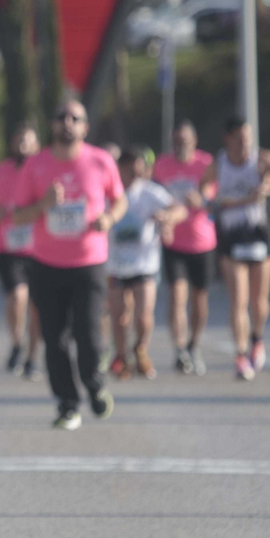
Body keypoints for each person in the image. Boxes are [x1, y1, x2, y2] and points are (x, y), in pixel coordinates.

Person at [12, 100, 127, 430]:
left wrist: (109, 218)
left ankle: (95, 384)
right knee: (54, 338)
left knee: (88, 333)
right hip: (46, 263)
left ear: (85, 127)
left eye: (75, 118)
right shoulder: (35, 166)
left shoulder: (100, 161)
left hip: (89, 262)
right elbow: (17, 216)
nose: (68, 122)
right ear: (53, 125)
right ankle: (67, 404)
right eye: (61, 117)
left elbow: (120, 200)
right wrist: (44, 205)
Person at [206, 116, 270, 381]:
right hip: (231, 237)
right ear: (228, 139)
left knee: (259, 303)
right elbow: (203, 192)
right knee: (238, 300)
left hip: (258, 234)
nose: (245, 144)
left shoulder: (264, 160)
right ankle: (240, 356)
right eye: (239, 139)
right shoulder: (220, 164)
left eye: (248, 139)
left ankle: (257, 339)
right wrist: (212, 201)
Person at [107, 147, 183, 380]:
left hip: (145, 264)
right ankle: (121, 356)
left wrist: (168, 218)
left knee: (143, 314)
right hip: (115, 265)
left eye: (138, 169)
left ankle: (141, 350)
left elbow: (179, 209)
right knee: (119, 316)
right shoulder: (110, 192)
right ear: (119, 169)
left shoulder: (150, 192)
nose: (135, 174)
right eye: (130, 169)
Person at [154, 120, 216, 374]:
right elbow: (155, 197)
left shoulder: (206, 164)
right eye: (176, 141)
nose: (181, 145)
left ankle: (194, 344)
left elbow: (214, 200)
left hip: (202, 241)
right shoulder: (162, 165)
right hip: (173, 242)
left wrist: (202, 200)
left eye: (185, 140)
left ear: (195, 140)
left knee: (199, 299)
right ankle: (180, 349)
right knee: (177, 296)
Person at [0, 124, 43, 380]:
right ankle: (17, 341)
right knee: (17, 298)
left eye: (28, 142)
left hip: (39, 246)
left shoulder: (44, 169)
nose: (23, 146)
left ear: (37, 146)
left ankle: (32, 357)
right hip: (8, 245)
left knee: (37, 307)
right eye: (19, 141)